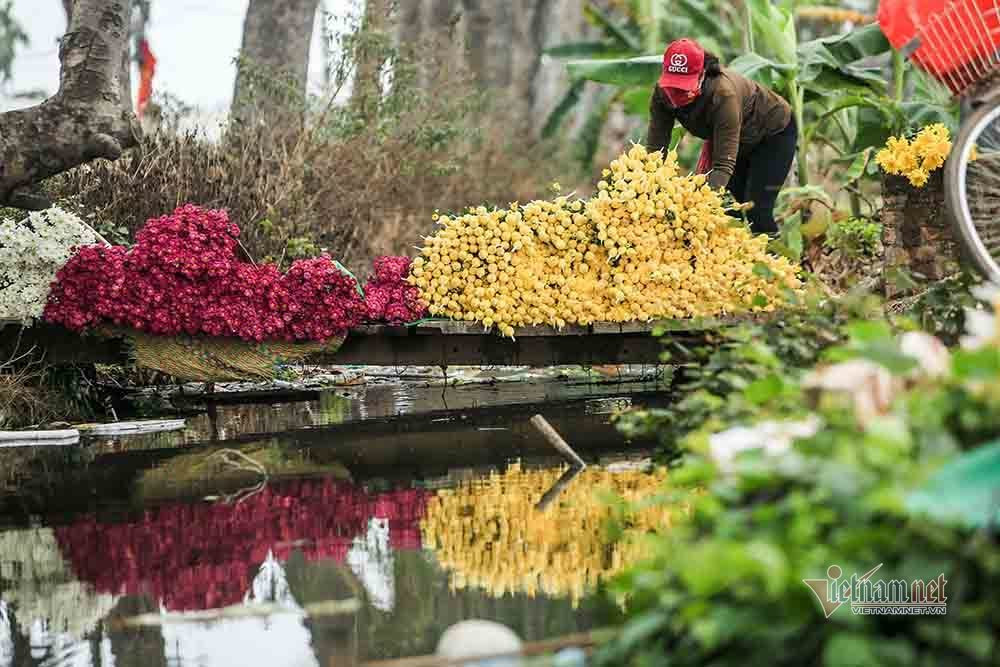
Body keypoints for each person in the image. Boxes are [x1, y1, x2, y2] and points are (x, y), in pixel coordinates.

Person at [646, 38, 796, 236]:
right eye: (673, 86)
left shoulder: (723, 95)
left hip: (773, 133)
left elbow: (723, 164)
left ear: (702, 75)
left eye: (683, 88)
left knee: (756, 210)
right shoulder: (662, 94)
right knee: (731, 209)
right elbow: (656, 151)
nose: (677, 95)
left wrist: (697, 207)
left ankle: (772, 254)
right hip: (736, 139)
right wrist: (648, 190)